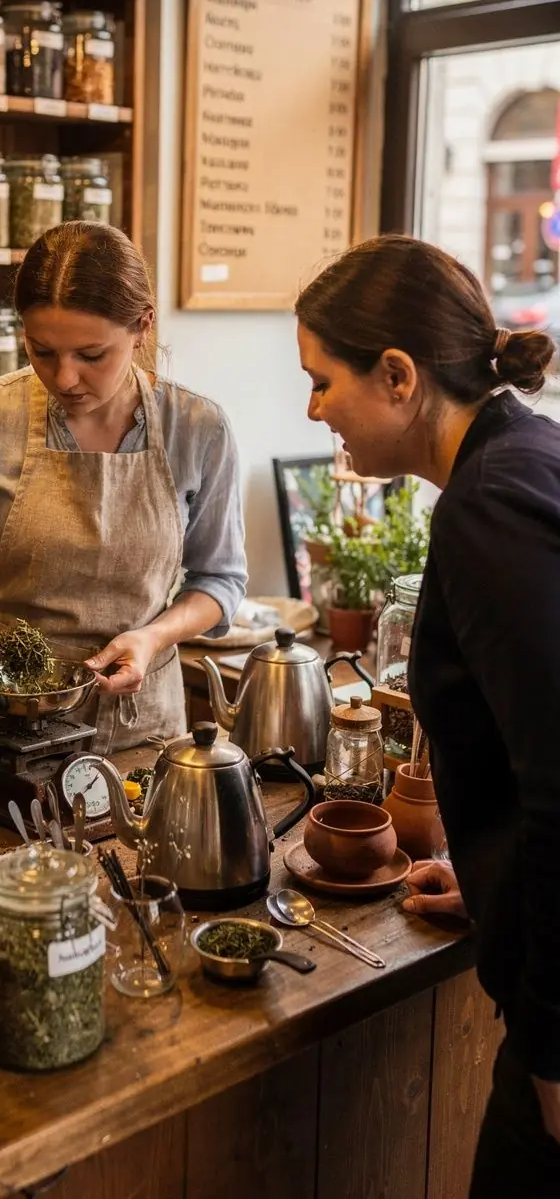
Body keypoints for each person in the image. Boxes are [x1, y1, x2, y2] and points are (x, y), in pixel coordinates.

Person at [295, 234, 560, 1198]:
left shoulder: (487, 505)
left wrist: (553, 1052)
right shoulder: (526, 454)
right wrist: (494, 888)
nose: (313, 409)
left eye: (322, 381)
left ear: (399, 376)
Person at [0, 222, 247, 794]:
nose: (65, 377)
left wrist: (153, 637)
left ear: (143, 325)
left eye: (91, 354)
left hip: (139, 725)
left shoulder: (198, 429)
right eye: (42, 351)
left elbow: (219, 582)